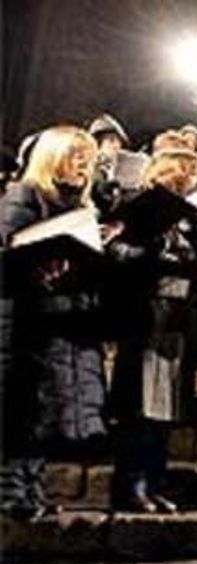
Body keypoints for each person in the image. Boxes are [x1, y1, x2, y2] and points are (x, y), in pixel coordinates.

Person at [0, 126, 106, 521]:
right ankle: (11, 492)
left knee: (48, 414)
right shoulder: (24, 194)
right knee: (21, 409)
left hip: (64, 319)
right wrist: (39, 269)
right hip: (27, 320)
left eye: (87, 158)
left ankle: (33, 488)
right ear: (53, 156)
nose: (84, 164)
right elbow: (8, 248)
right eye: (76, 154)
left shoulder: (84, 206)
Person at [105, 147, 197, 513]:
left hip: (177, 319)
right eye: (188, 178)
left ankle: (154, 481)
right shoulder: (139, 207)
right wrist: (151, 255)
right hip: (147, 313)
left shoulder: (190, 221)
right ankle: (130, 484)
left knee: (167, 409)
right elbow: (114, 248)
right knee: (141, 407)